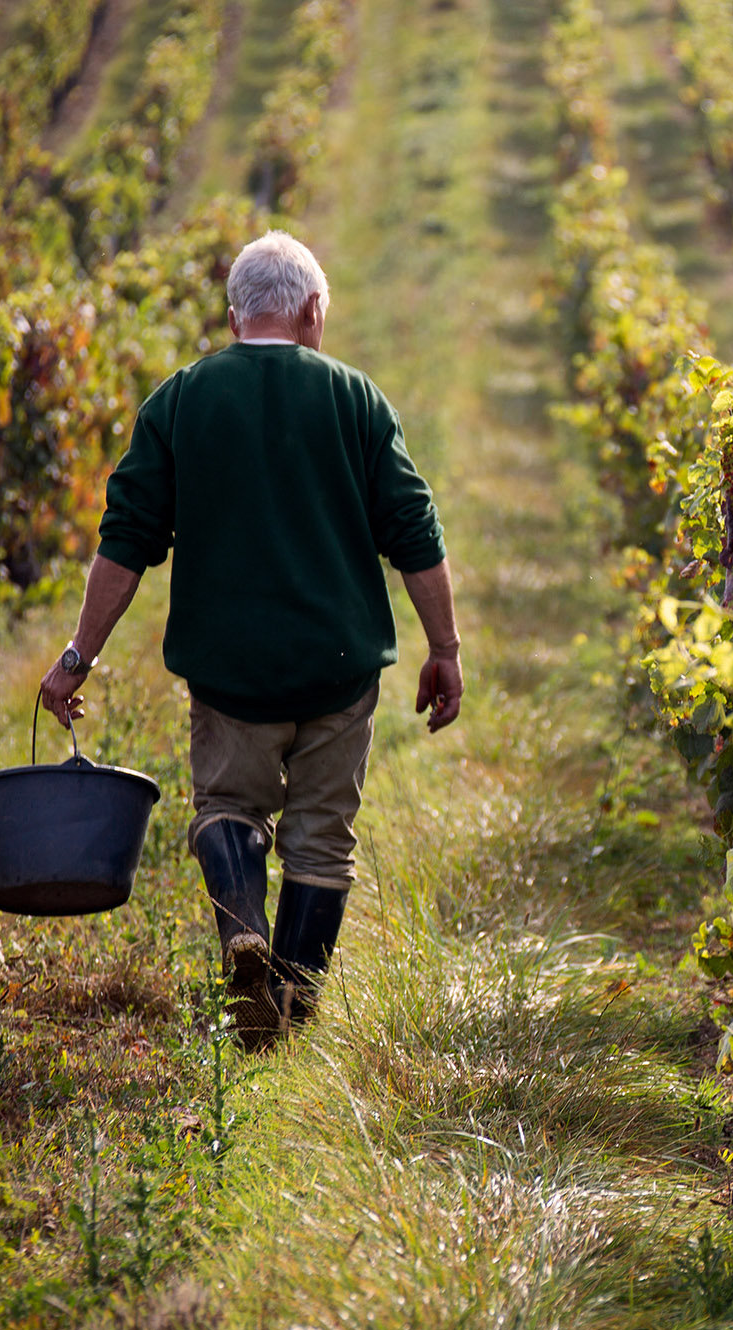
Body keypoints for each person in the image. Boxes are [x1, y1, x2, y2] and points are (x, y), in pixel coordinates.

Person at [39, 230, 462, 1052]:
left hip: (228, 671)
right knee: (321, 837)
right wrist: (443, 647)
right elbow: (416, 533)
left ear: (235, 318)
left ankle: (242, 928)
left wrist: (75, 659)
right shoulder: (358, 400)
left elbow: (125, 542)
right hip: (338, 670)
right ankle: (289, 1020)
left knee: (229, 808)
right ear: (311, 311)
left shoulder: (181, 400)